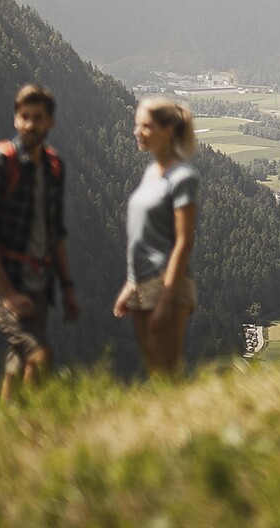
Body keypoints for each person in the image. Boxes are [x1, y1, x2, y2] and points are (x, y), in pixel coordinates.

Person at [0, 83, 79, 400]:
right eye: (24, 117)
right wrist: (7, 294)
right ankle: (32, 427)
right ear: (16, 119)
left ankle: (7, 426)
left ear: (50, 122)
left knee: (19, 361)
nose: (30, 124)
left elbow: (56, 232)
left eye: (38, 117)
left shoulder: (53, 167)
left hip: (38, 279)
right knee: (39, 354)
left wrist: (67, 287)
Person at [114, 96, 200, 376]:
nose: (137, 132)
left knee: (167, 371)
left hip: (165, 283)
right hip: (142, 283)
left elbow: (184, 241)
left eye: (146, 126)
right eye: (137, 125)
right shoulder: (151, 172)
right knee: (156, 369)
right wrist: (131, 282)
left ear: (168, 130)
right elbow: (142, 234)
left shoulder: (182, 178)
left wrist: (167, 298)